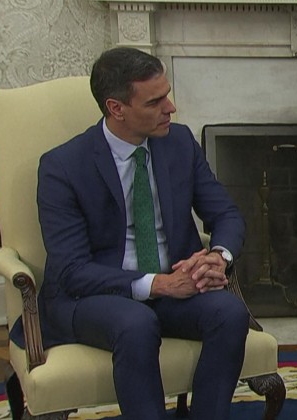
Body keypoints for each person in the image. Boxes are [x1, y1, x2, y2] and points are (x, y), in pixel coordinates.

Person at [23, 47, 249, 419]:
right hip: (95, 296)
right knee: (136, 323)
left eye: (167, 95)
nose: (171, 108)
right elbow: (72, 271)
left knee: (230, 312)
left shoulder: (179, 143)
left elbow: (225, 213)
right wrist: (159, 284)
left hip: (174, 286)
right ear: (116, 108)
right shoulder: (63, 167)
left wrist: (217, 257)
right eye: (155, 102)